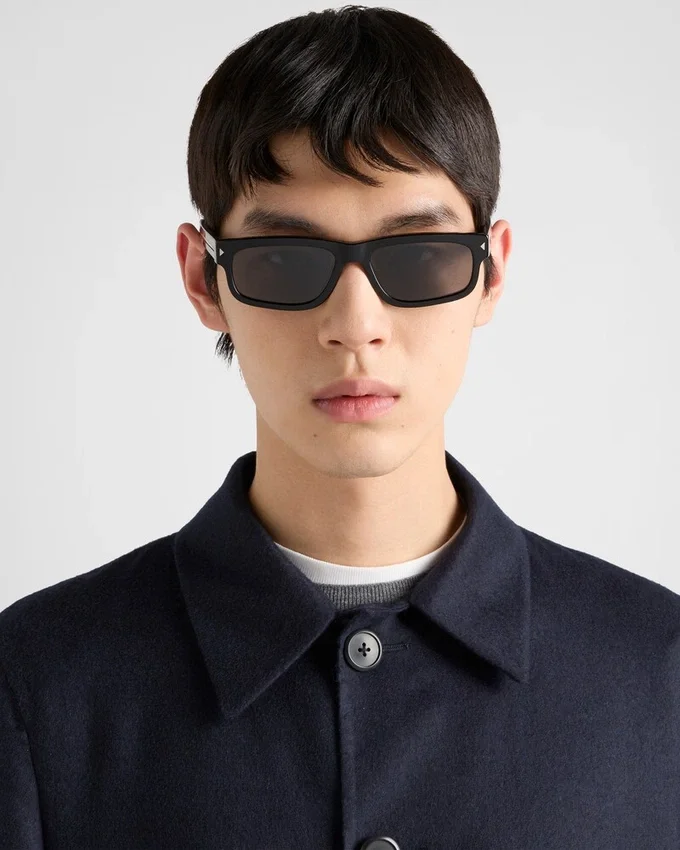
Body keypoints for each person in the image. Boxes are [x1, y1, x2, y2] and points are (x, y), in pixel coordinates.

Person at [2, 6, 678, 850]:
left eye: (418, 256)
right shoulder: (36, 685)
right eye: (287, 260)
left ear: (491, 272)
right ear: (203, 279)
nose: (355, 326)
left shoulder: (659, 670)